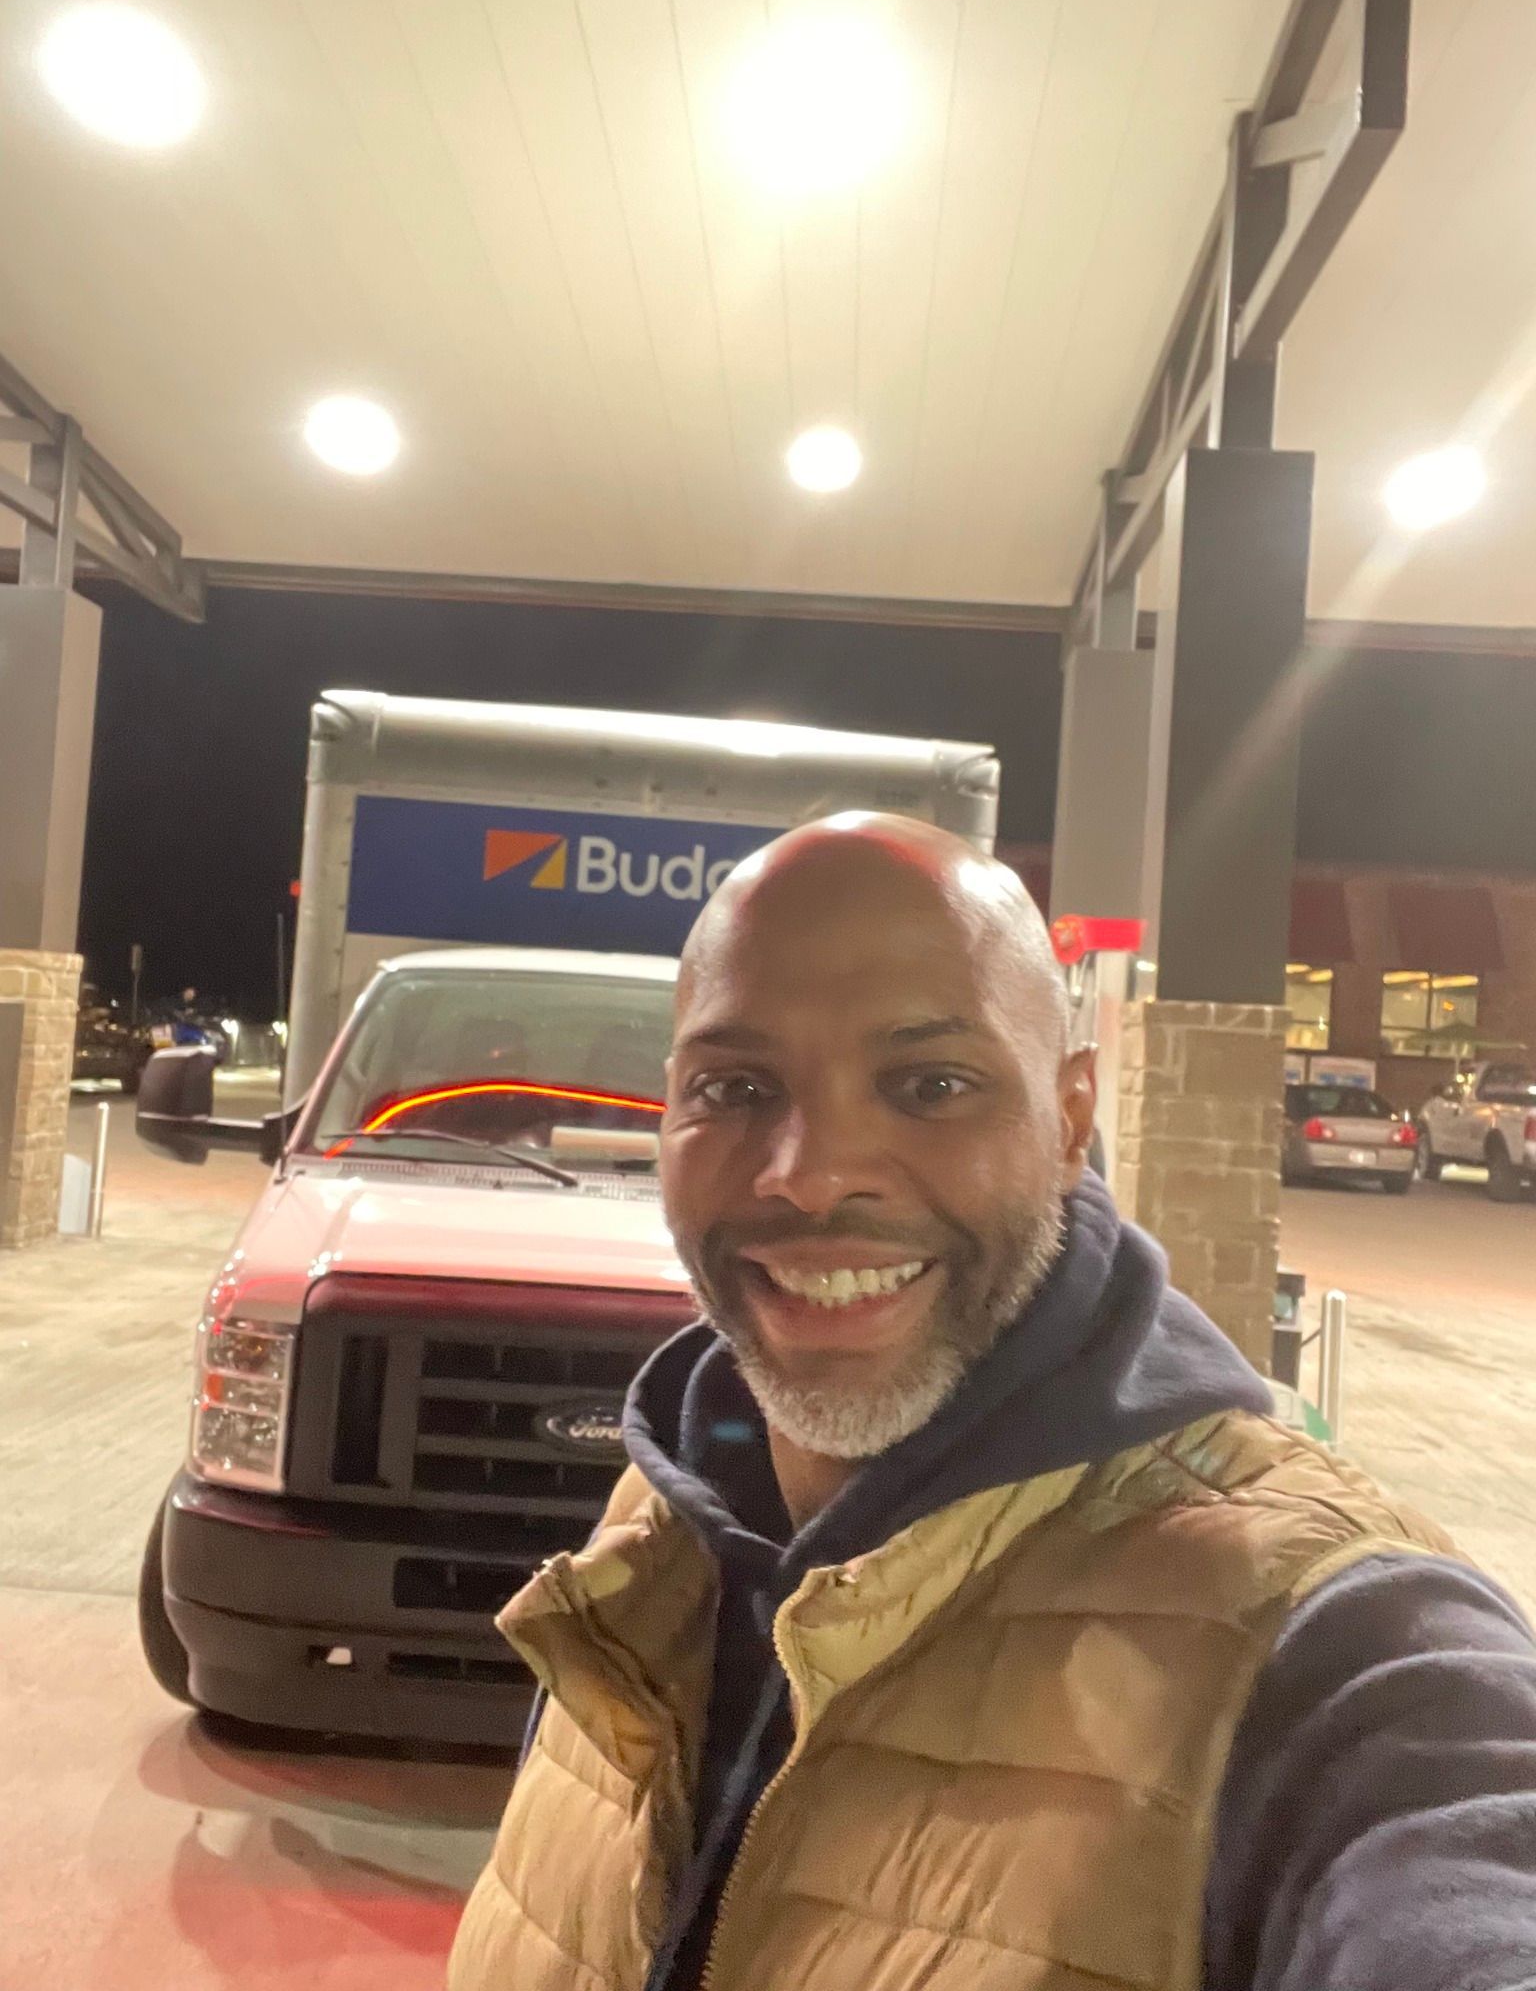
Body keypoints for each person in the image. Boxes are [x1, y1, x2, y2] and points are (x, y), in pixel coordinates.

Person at [451, 815, 1536, 1991]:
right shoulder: (654, 1540)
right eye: (738, 1085)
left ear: (1071, 1120)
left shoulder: (1324, 1645)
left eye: (931, 1083)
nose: (810, 1171)